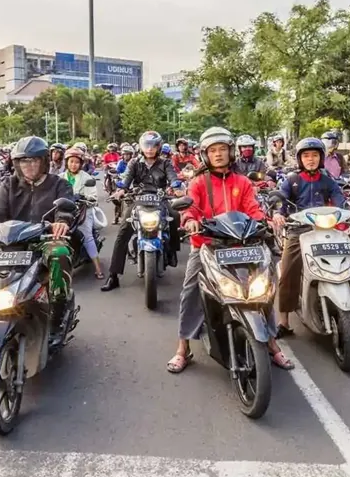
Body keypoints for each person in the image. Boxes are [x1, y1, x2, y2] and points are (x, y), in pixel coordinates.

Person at [169, 127, 288, 373]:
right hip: (207, 245)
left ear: (230, 152)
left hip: (242, 246)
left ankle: (272, 343)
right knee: (190, 291)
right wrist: (190, 220)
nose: (219, 154)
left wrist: (266, 220)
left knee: (264, 287)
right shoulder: (199, 182)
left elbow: (252, 208)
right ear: (205, 155)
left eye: (222, 149)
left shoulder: (242, 182)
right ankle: (183, 348)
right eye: (213, 150)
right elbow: (190, 209)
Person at [0, 136, 75, 389]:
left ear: (44, 162)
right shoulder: (8, 185)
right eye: (23, 161)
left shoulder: (57, 184)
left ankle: (58, 316)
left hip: (43, 240)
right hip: (10, 243)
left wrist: (62, 221)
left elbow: (66, 210)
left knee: (60, 253)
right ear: (16, 164)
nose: (29, 166)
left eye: (34, 160)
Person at [274, 137, 350, 338]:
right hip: (299, 230)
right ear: (300, 159)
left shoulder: (327, 179)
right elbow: (279, 202)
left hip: (326, 227)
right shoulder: (292, 180)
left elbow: (340, 201)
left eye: (315, 155)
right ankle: (284, 320)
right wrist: (277, 213)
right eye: (306, 156)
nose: (311, 159)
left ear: (321, 158)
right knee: (288, 269)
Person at [101, 130, 180, 291]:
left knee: (175, 215)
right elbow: (126, 179)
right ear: (141, 147)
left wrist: (177, 187)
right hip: (138, 200)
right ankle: (113, 275)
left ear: (158, 147)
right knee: (123, 232)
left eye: (153, 146)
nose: (150, 149)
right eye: (146, 145)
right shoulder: (134, 163)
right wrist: (121, 190)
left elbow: (173, 178)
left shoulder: (166, 163)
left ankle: (172, 252)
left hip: (161, 200)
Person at [62, 147, 105, 279]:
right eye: (71, 161)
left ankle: (98, 268)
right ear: (67, 162)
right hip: (63, 211)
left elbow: (93, 197)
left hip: (83, 210)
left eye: (76, 162)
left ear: (81, 164)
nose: (73, 164)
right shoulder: (59, 177)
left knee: (87, 236)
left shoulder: (86, 177)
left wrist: (84, 198)